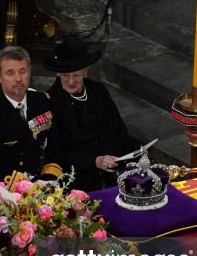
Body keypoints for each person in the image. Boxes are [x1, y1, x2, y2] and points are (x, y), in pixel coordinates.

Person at [45, 39, 140, 191]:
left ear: (85, 72)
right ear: (58, 75)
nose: (70, 81)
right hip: (77, 178)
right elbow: (56, 153)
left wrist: (126, 153)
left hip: (112, 168)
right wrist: (95, 161)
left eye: (76, 75)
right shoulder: (51, 102)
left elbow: (118, 130)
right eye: (65, 76)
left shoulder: (98, 90)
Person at [0, 46, 63, 185]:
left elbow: (56, 146)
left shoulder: (44, 101)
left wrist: (47, 179)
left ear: (30, 72)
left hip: (47, 183)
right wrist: (27, 188)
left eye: (22, 71)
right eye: (10, 73)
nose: (18, 79)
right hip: (9, 191)